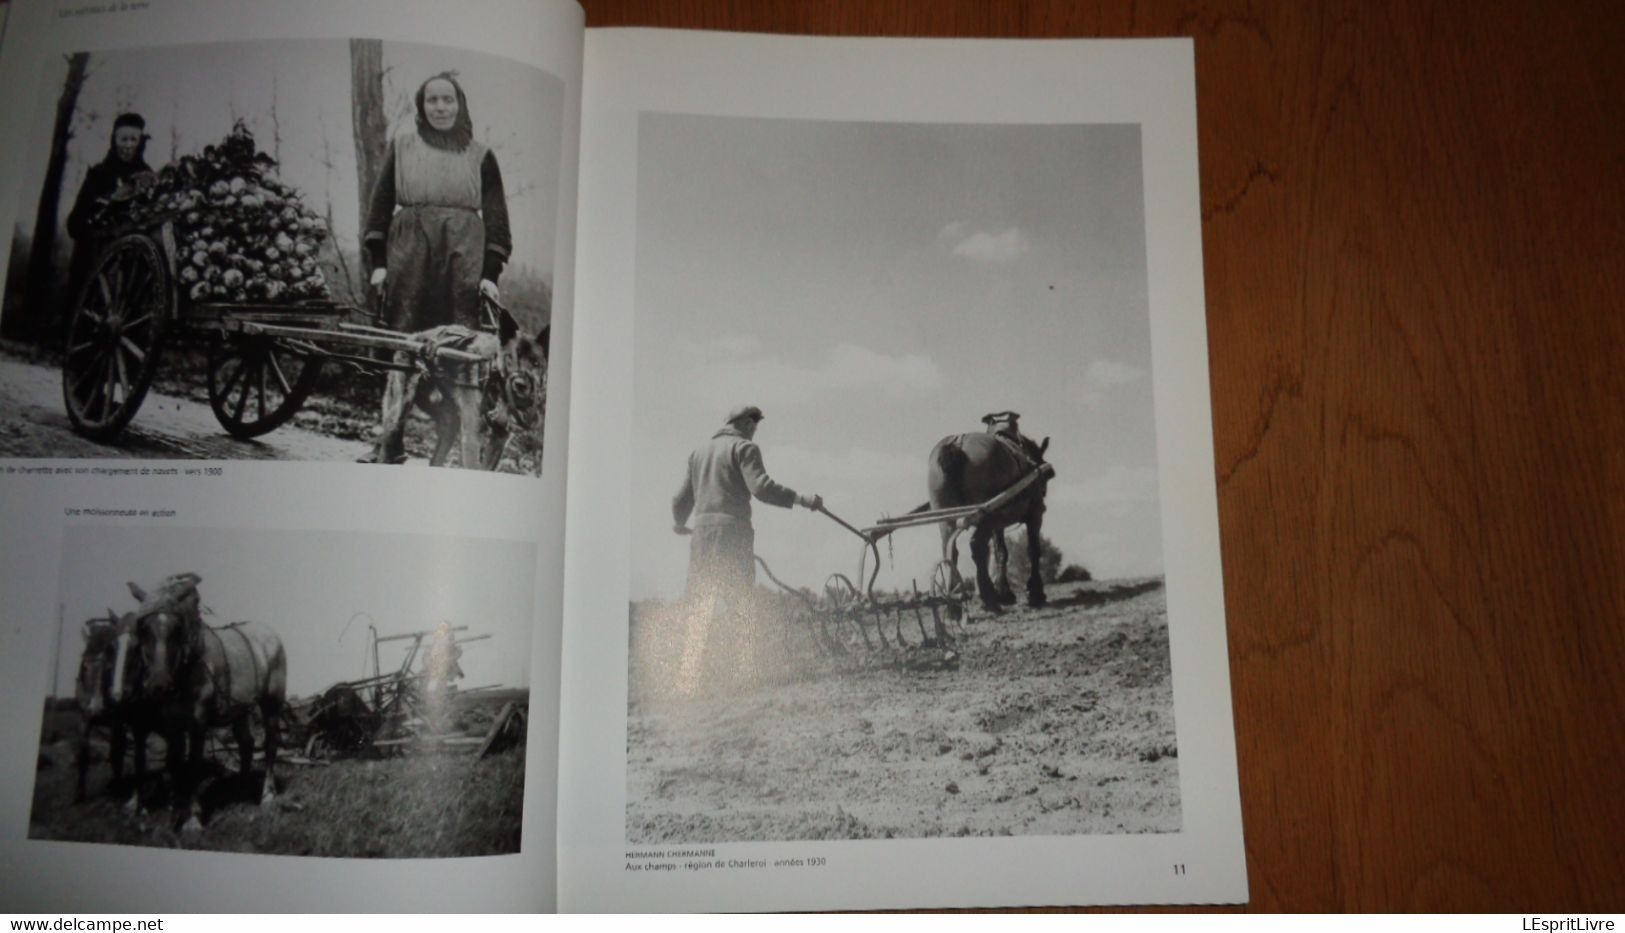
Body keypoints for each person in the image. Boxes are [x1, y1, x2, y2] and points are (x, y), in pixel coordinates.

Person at [360, 71, 513, 464]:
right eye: (433, 100)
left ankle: (457, 439)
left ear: (460, 105)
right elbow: (379, 206)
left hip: (462, 261)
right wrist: (379, 263)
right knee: (404, 347)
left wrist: (489, 275)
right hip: (410, 258)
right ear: (421, 106)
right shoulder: (403, 147)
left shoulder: (481, 156)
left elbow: (497, 221)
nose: (441, 107)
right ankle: (389, 439)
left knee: (457, 348)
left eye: (448, 100)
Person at [672, 405, 822, 606]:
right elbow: (761, 488)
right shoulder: (744, 447)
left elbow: (680, 500)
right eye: (754, 428)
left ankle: (694, 637)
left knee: (698, 601)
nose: (754, 433)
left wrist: (679, 523)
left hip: (701, 536)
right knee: (739, 602)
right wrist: (800, 498)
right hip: (733, 533)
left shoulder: (697, 454)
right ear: (746, 424)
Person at [64, 113, 154, 308]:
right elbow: (74, 223)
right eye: (123, 139)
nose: (128, 145)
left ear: (140, 142)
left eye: (133, 139)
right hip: (94, 258)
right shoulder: (99, 174)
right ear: (114, 140)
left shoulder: (147, 177)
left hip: (131, 264)